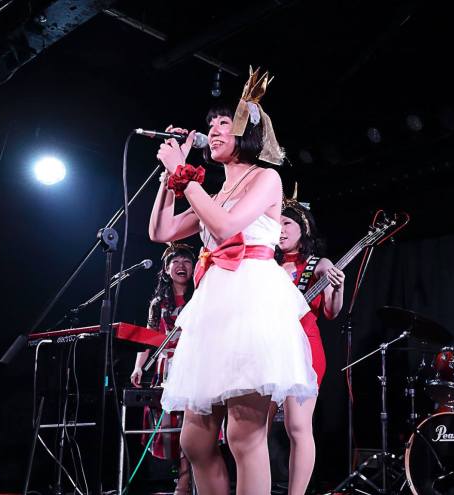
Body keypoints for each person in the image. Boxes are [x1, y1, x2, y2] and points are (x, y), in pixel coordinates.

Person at [148, 67, 319, 495]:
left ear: (247, 132)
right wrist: (170, 177)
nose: (213, 130)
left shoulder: (266, 178)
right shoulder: (215, 193)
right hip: (215, 308)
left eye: (223, 122)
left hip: (253, 301)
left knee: (244, 435)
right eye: (210, 124)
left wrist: (183, 174)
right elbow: (161, 231)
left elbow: (225, 227)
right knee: (194, 440)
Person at [274, 197, 345, 495]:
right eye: (275, 223)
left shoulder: (318, 264)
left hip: (304, 350)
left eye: (287, 223)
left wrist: (337, 287)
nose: (280, 229)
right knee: (254, 429)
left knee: (298, 427)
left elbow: (331, 312)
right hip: (268, 349)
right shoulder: (265, 265)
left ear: (303, 228)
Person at [129, 243, 195, 494]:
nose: (181, 265)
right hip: (166, 368)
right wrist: (138, 368)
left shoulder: (200, 297)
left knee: (193, 423)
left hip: (194, 365)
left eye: (186, 261)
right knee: (170, 426)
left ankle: (186, 483)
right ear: (166, 269)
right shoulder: (158, 303)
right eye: (175, 261)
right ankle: (181, 478)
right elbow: (148, 337)